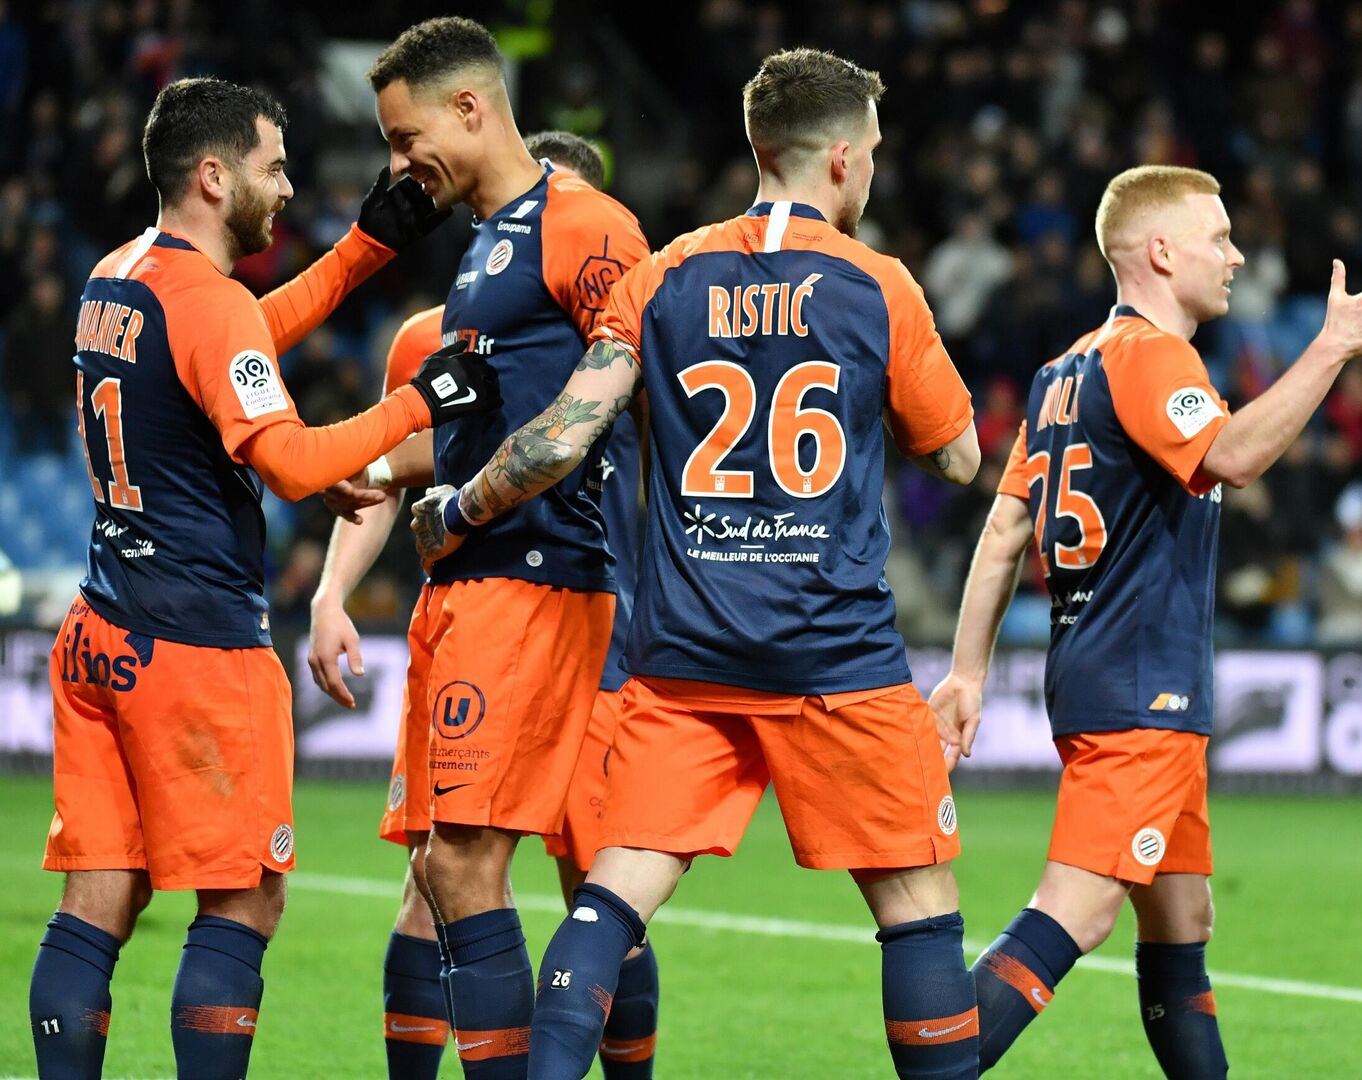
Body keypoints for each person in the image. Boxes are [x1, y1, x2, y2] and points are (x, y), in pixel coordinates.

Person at [412, 47, 984, 1080]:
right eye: (878, 154)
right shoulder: (879, 285)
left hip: (687, 659)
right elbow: (958, 453)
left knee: (612, 893)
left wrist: (458, 508)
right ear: (846, 159)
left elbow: (558, 435)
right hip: (837, 655)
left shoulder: (663, 274)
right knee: (919, 905)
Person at [28, 76, 494, 1080]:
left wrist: (365, 251)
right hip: (195, 649)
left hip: (101, 626)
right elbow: (286, 461)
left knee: (97, 899)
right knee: (245, 899)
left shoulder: (117, 276)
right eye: (272, 166)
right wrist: (420, 404)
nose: (287, 187)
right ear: (212, 174)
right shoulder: (209, 303)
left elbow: (231, 342)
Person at [927, 164, 1362, 1078]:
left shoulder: (1062, 372)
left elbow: (1004, 528)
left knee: (1183, 920)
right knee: (1078, 908)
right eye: (1218, 236)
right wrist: (1333, 348)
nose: (1235, 255)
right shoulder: (1152, 357)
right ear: (1160, 251)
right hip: (1137, 688)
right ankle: (939, 1067)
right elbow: (1231, 455)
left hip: (1115, 676)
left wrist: (967, 671)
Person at [304, 131, 659, 1080]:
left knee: (600, 892)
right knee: (435, 873)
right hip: (464, 615)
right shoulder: (435, 339)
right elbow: (405, 468)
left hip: (594, 624)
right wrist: (334, 591)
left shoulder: (625, 325)